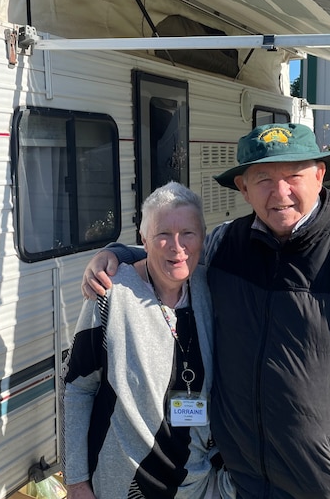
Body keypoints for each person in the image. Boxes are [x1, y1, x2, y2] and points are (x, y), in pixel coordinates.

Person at [81, 123, 330, 499]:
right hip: (245, 488)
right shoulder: (226, 245)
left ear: (320, 176)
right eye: (263, 179)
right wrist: (118, 256)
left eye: (294, 175)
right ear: (243, 187)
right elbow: (174, 255)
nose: (280, 193)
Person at [63, 182, 219, 499]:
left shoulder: (209, 286)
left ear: (203, 237)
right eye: (163, 234)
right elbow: (78, 387)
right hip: (127, 484)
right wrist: (77, 481)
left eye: (188, 233)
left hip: (197, 482)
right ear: (144, 239)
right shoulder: (110, 293)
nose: (177, 246)